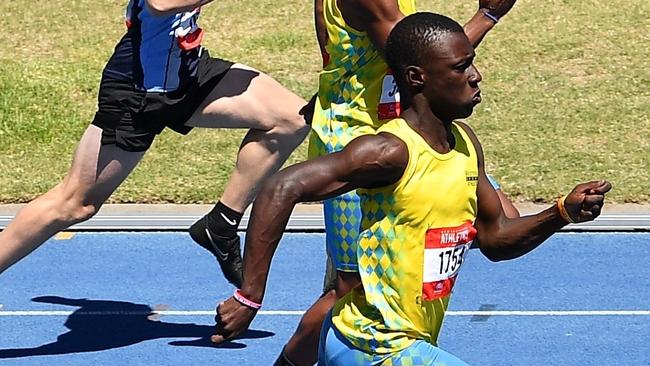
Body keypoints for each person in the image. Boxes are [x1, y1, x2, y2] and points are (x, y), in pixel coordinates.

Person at [210, 12, 611, 365]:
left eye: (471, 63)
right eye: (459, 67)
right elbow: (281, 186)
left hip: (404, 344)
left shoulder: (465, 145)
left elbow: (497, 239)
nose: (475, 75)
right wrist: (250, 294)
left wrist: (561, 213)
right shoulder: (389, 151)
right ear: (418, 78)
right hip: (373, 347)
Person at [0, 0, 311, 286]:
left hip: (186, 73)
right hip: (137, 90)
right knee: (73, 204)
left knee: (290, 118)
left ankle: (221, 224)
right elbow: (160, 2)